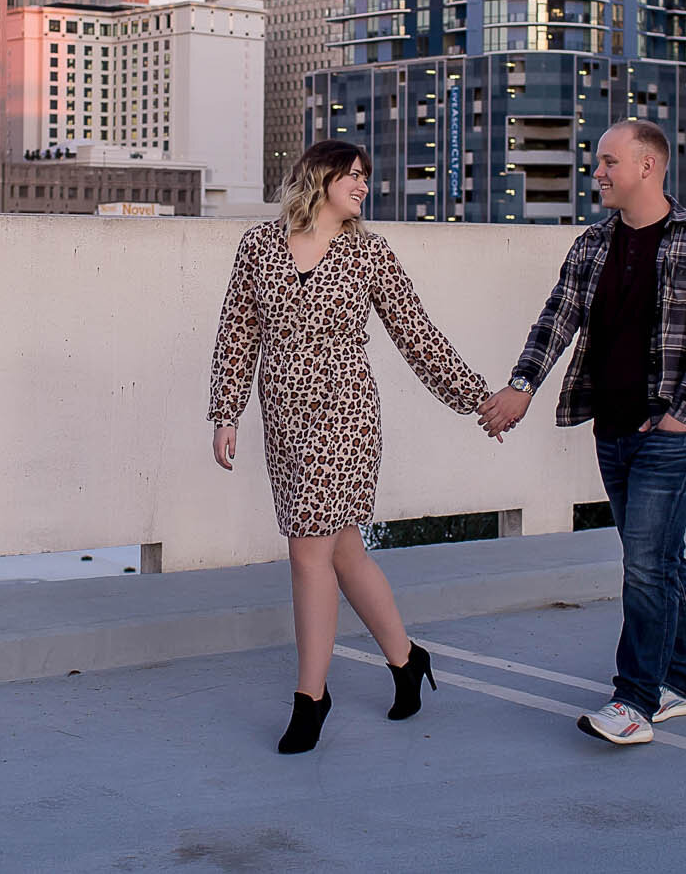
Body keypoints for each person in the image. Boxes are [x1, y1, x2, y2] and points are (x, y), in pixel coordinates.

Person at [209, 139, 492, 754]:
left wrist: (476, 398)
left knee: (309, 554)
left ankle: (311, 700)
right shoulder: (258, 246)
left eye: (367, 176)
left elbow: (415, 334)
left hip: (346, 423)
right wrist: (225, 413)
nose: (363, 185)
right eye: (353, 175)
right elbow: (237, 332)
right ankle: (407, 660)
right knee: (344, 554)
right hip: (286, 425)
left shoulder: (369, 253)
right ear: (319, 178)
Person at [478, 119, 686, 747]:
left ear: (647, 166)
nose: (597, 173)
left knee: (644, 564)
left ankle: (634, 701)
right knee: (660, 558)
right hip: (614, 427)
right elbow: (556, 319)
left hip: (676, 431)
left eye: (608, 162)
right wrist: (521, 385)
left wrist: (681, 411)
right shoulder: (592, 246)